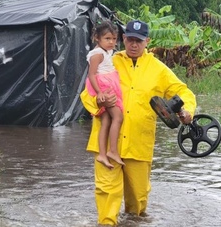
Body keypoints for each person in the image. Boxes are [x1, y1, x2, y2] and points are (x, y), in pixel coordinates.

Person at [80, 19, 196, 226]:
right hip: (107, 144)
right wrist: (97, 100)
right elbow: (87, 90)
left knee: (138, 201)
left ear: (147, 41)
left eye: (139, 41)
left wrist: (186, 111)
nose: (134, 45)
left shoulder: (158, 69)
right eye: (130, 40)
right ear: (123, 39)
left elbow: (182, 91)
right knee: (107, 191)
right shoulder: (109, 60)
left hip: (139, 143)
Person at [85, 20, 125, 169]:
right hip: (102, 86)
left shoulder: (107, 52)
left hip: (107, 84)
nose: (112, 42)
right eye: (107, 38)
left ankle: (102, 154)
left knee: (107, 120)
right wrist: (100, 92)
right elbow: (91, 74)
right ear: (97, 38)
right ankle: (113, 150)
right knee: (118, 116)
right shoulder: (97, 54)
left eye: (114, 39)